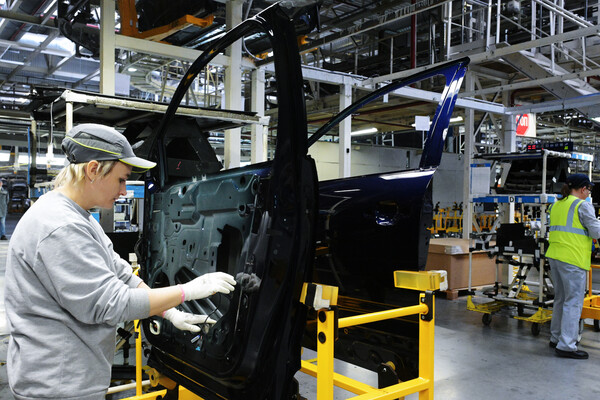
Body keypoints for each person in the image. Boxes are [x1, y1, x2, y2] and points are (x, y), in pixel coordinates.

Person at [4, 123, 237, 400]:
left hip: (70, 377)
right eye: (121, 180)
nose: (124, 191)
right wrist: (187, 291)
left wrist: (169, 312)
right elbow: (112, 304)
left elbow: (123, 275)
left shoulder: (79, 217)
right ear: (93, 170)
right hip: (58, 386)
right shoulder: (61, 226)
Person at [546, 173, 600, 360]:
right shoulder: (582, 205)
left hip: (555, 256)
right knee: (573, 301)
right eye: (589, 189)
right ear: (583, 188)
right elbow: (596, 232)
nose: (589, 193)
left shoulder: (557, 204)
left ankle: (556, 338)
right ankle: (567, 345)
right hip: (573, 259)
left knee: (560, 299)